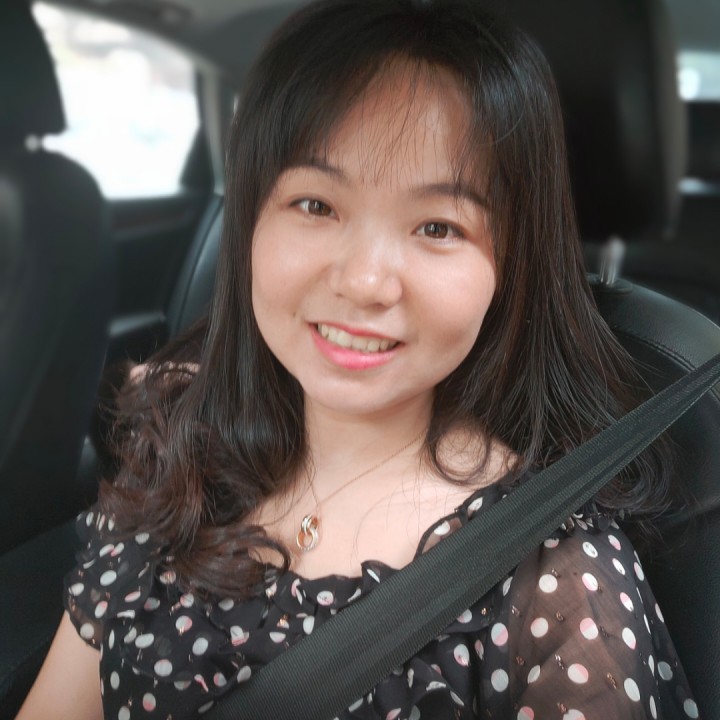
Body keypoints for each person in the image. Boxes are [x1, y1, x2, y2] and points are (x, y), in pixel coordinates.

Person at [18, 0, 700, 718]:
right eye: (316, 205)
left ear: (509, 265)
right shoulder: (175, 453)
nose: (365, 281)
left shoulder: (556, 582)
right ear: (249, 221)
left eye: (437, 226)